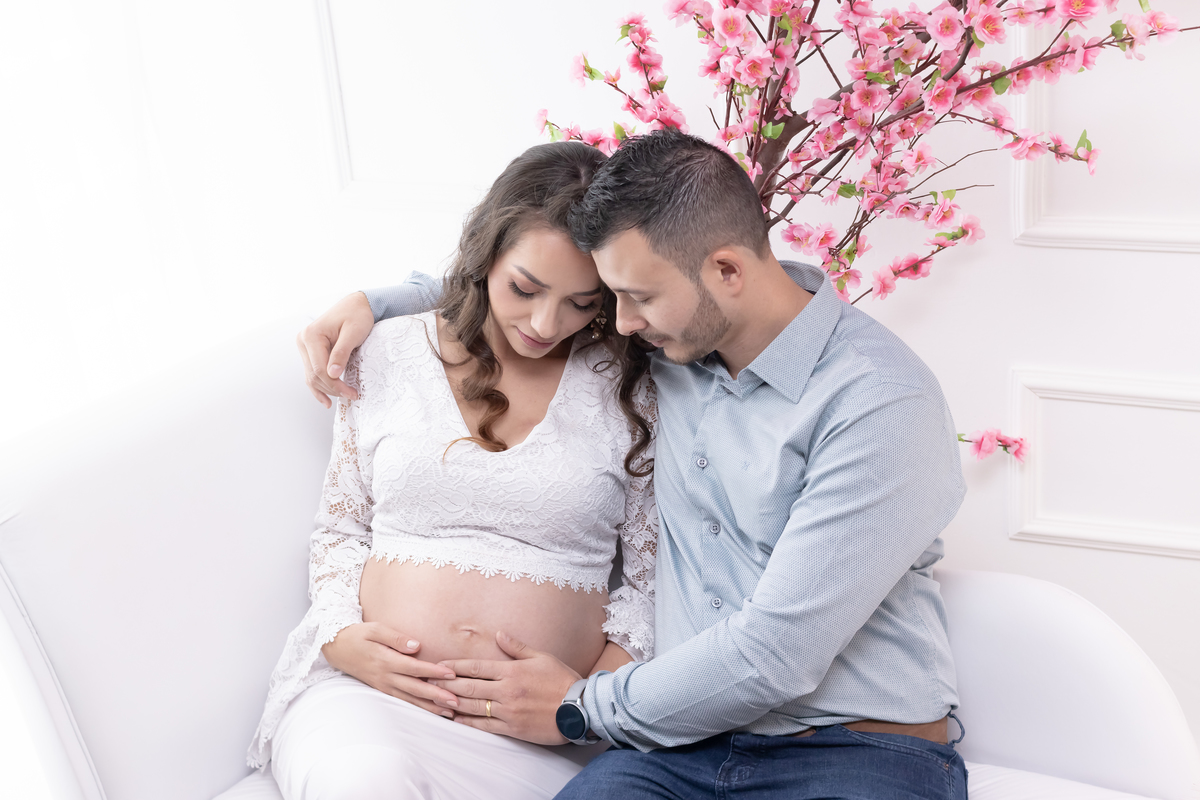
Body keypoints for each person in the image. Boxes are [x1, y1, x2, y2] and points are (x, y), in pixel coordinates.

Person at [300, 128, 969, 800]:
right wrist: (374, 302)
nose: (615, 325)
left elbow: (777, 654)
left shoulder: (881, 400)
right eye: (608, 300)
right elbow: (521, 286)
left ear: (727, 272)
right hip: (680, 748)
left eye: (635, 299)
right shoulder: (671, 351)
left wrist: (579, 708)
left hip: (856, 750)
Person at [253, 141, 660, 800]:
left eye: (583, 303)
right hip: (367, 708)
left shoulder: (630, 390)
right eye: (524, 288)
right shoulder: (382, 352)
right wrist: (338, 637)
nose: (544, 323)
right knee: (367, 783)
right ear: (485, 252)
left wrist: (587, 704)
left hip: (540, 739)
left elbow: (656, 579)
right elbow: (340, 530)